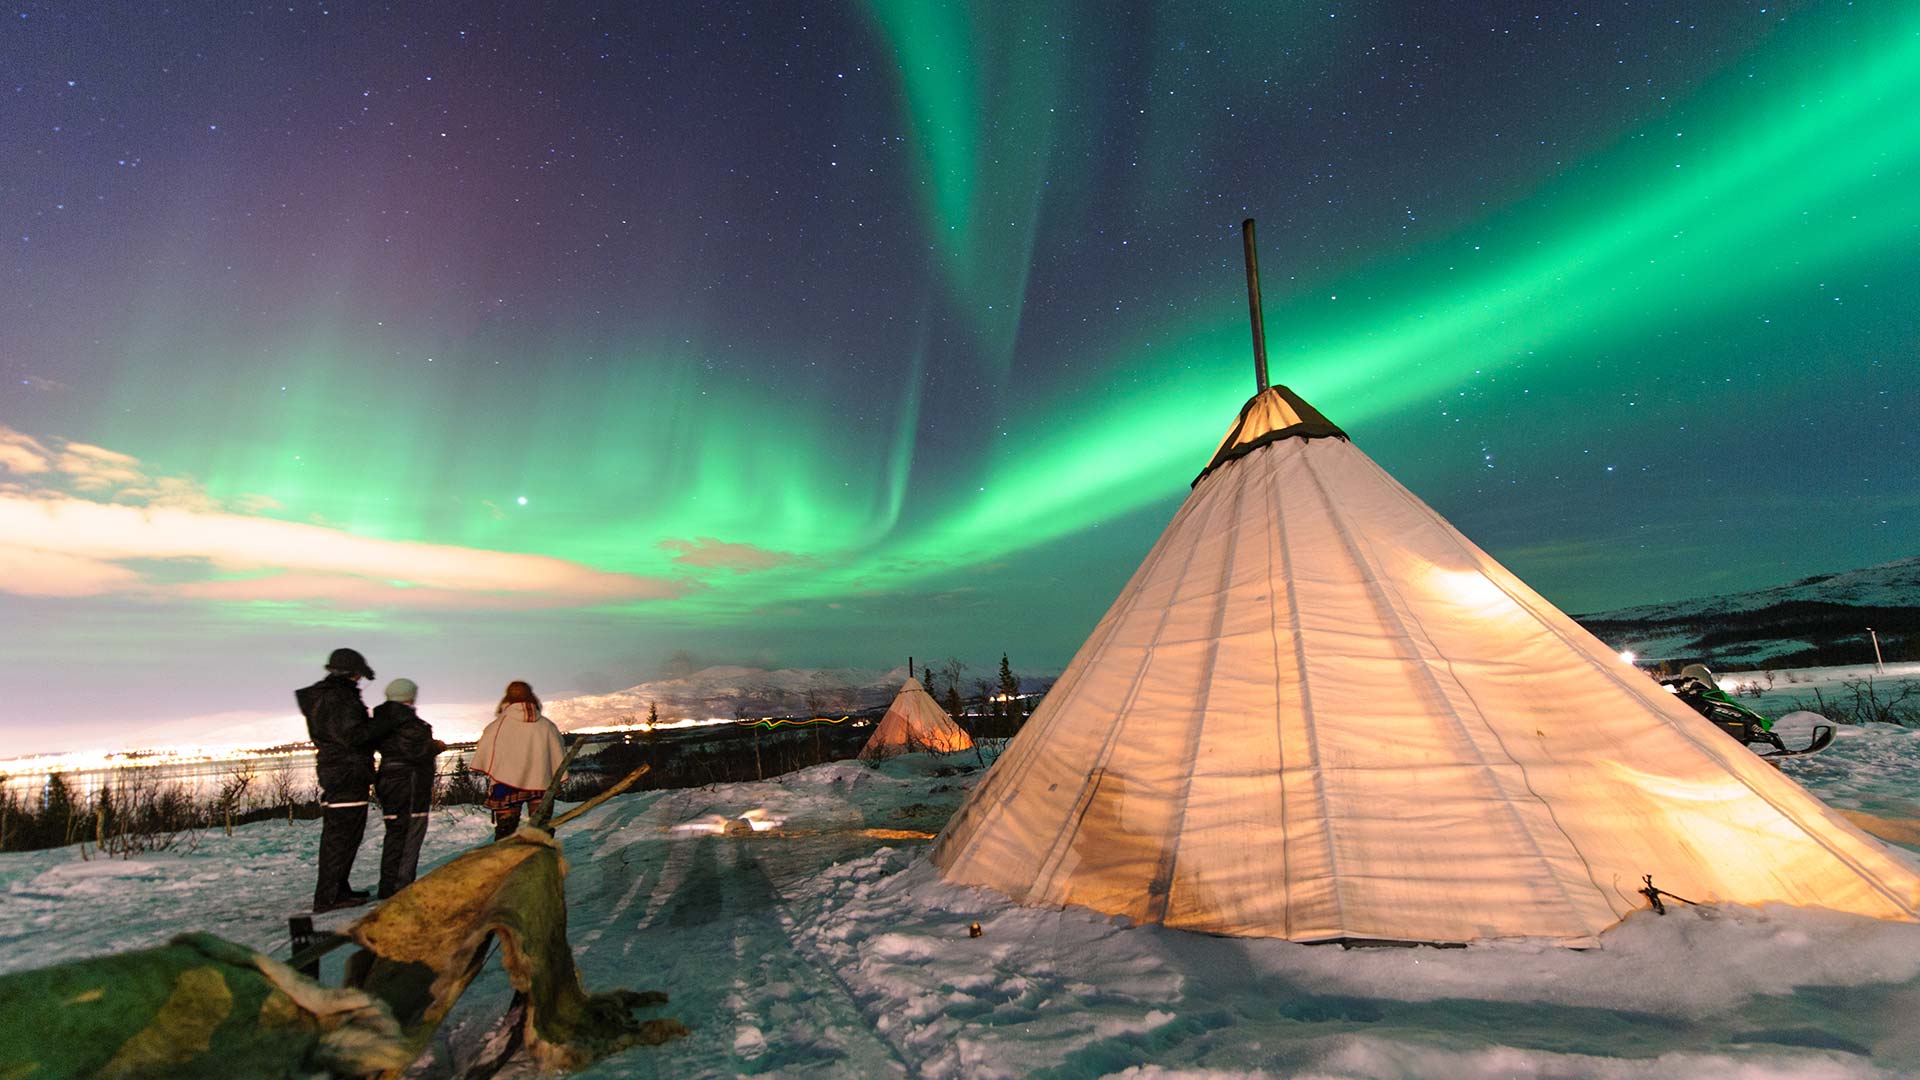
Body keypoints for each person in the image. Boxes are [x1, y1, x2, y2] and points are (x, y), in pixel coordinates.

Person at [295, 647, 376, 912]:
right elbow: (353, 735)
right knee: (342, 836)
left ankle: (338, 889)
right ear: (352, 674)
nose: (359, 682)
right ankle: (330, 895)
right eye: (358, 676)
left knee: (344, 835)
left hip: (340, 771)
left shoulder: (328, 697)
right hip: (347, 772)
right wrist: (380, 725)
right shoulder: (339, 699)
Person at [364, 677, 446, 898]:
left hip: (391, 782)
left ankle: (390, 885)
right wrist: (435, 746)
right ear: (409, 697)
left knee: (396, 834)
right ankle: (399, 888)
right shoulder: (405, 721)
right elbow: (415, 750)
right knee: (410, 833)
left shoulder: (382, 719)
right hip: (410, 783)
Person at [473, 681, 566, 840]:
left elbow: (486, 752)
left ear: (506, 700)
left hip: (505, 786)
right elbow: (558, 755)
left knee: (506, 833)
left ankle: (507, 863)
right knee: (541, 832)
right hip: (542, 784)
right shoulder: (547, 726)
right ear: (532, 698)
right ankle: (541, 861)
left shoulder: (496, 727)